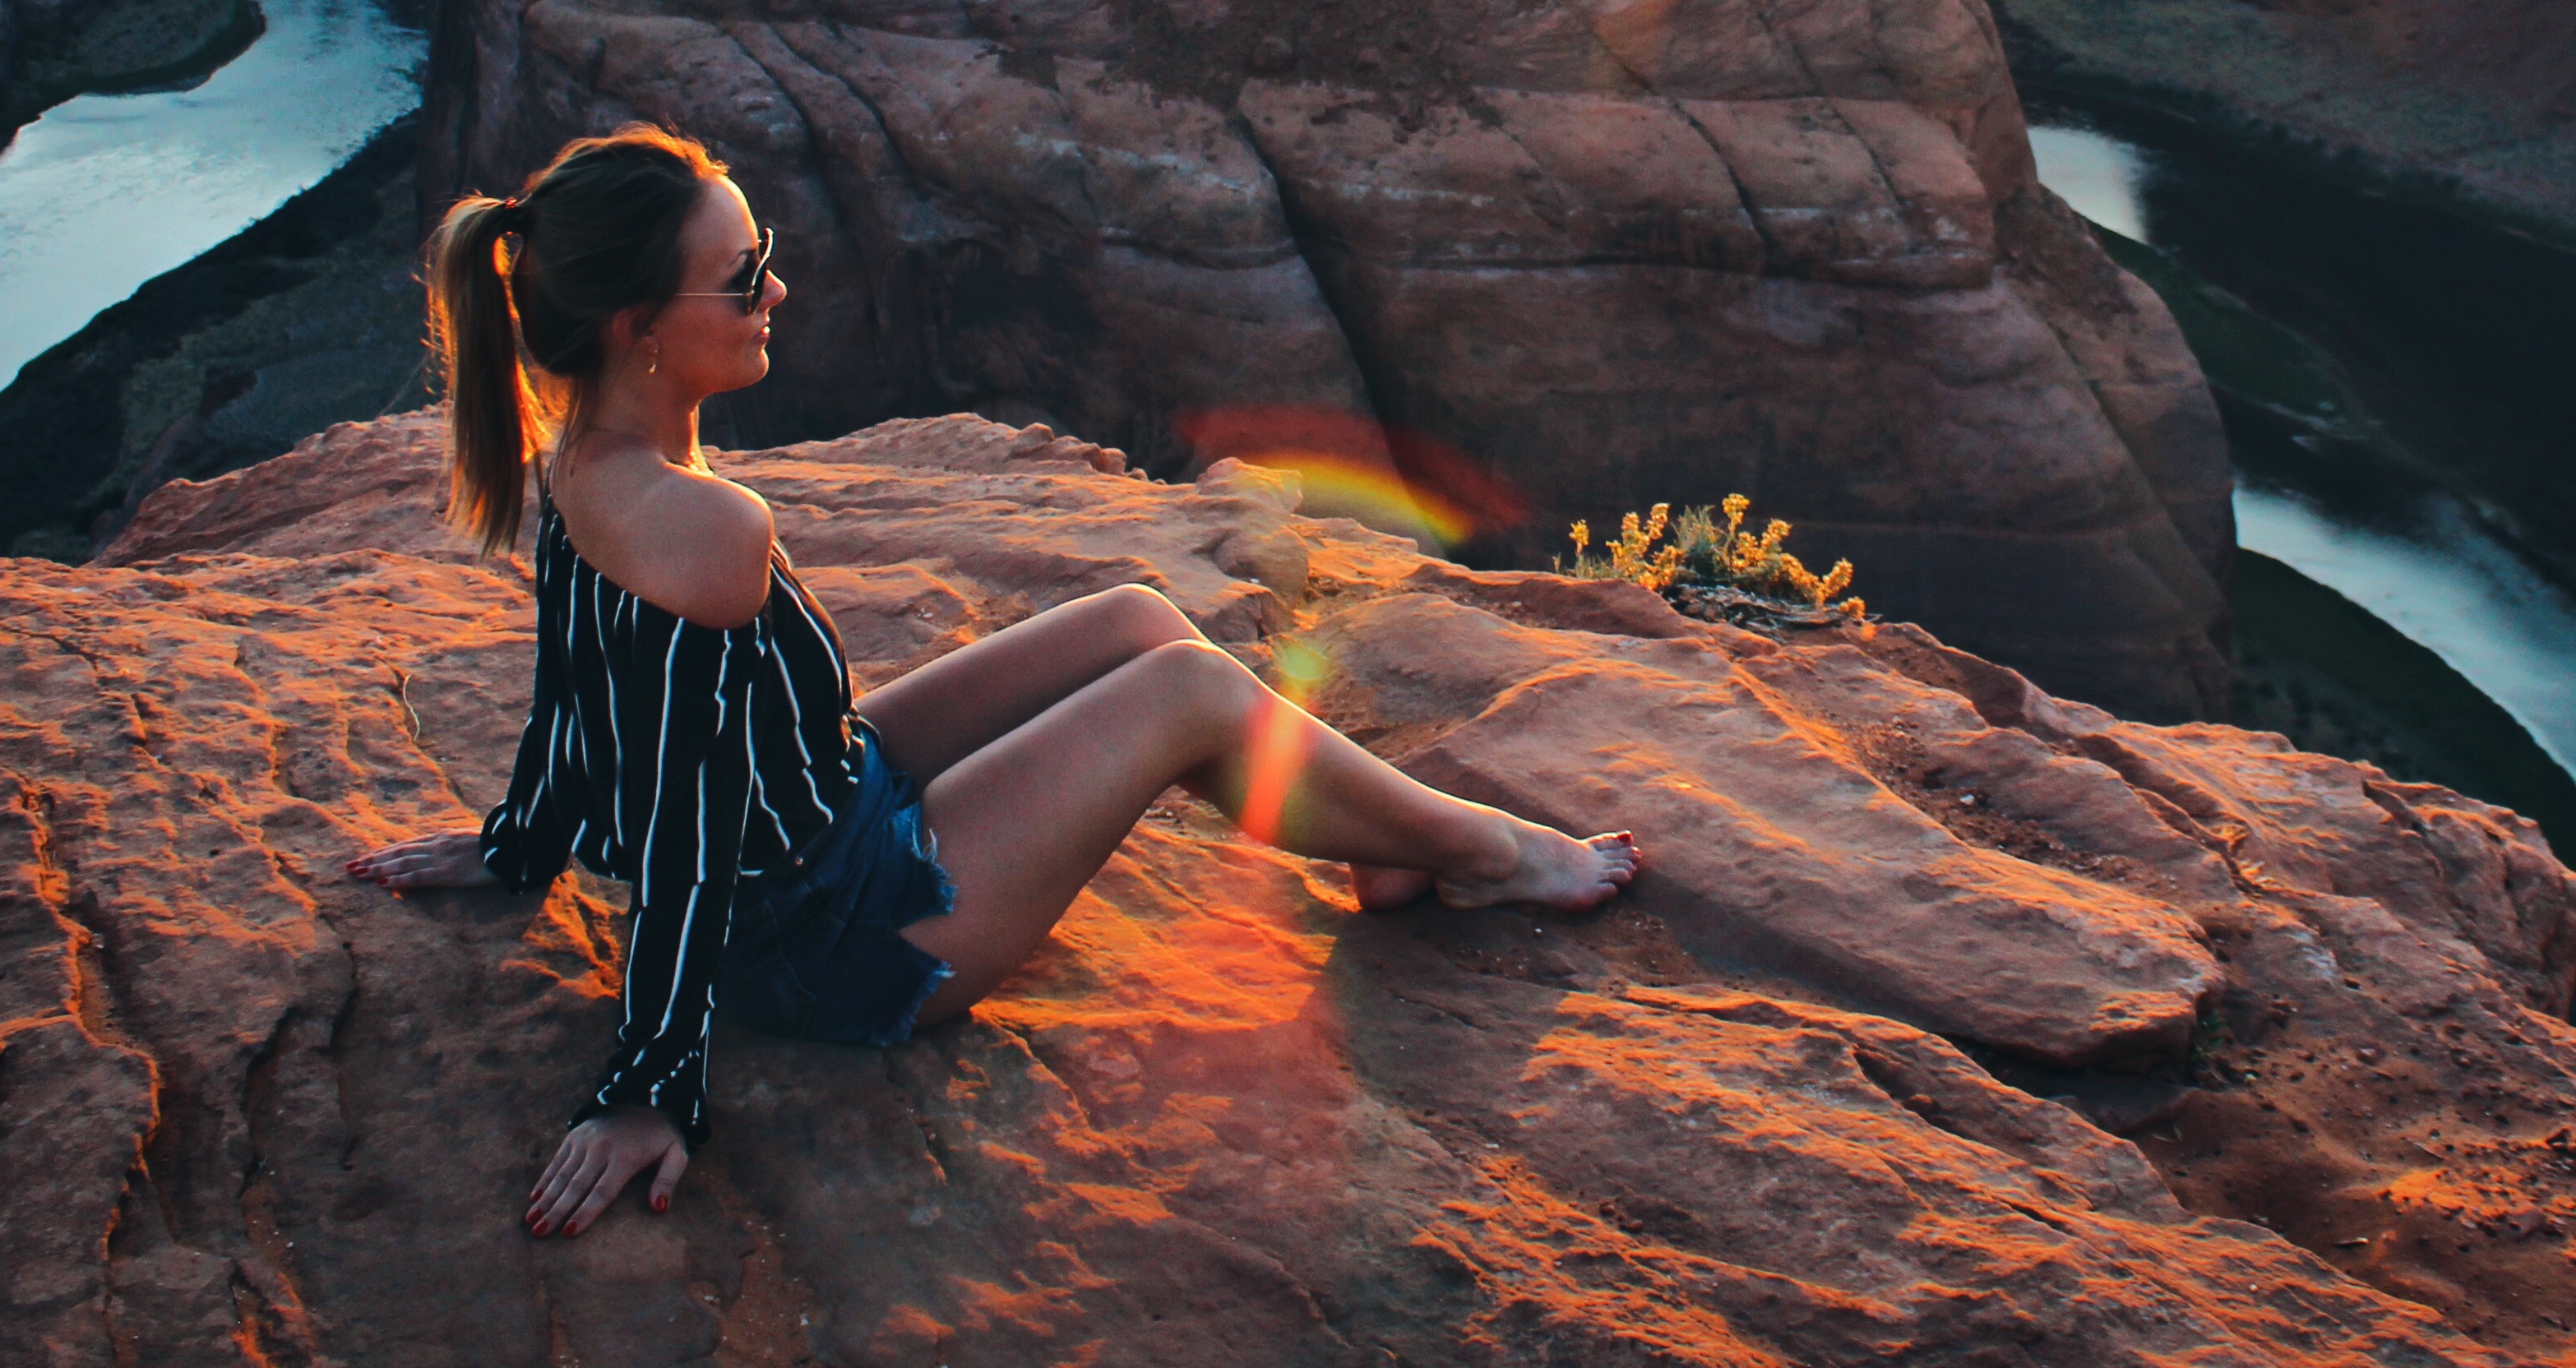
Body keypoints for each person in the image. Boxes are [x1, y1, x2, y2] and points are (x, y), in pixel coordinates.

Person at [342, 124, 1639, 1240]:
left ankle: (1381, 843)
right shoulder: (702, 530)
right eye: (743, 280)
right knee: (1185, 693)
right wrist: (650, 1079)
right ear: (641, 329)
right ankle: (1490, 856)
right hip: (827, 938)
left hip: (820, 808)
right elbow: (681, 812)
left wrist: (520, 847)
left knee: (1136, 616)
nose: (776, 294)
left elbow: (578, 687)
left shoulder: (583, 467)